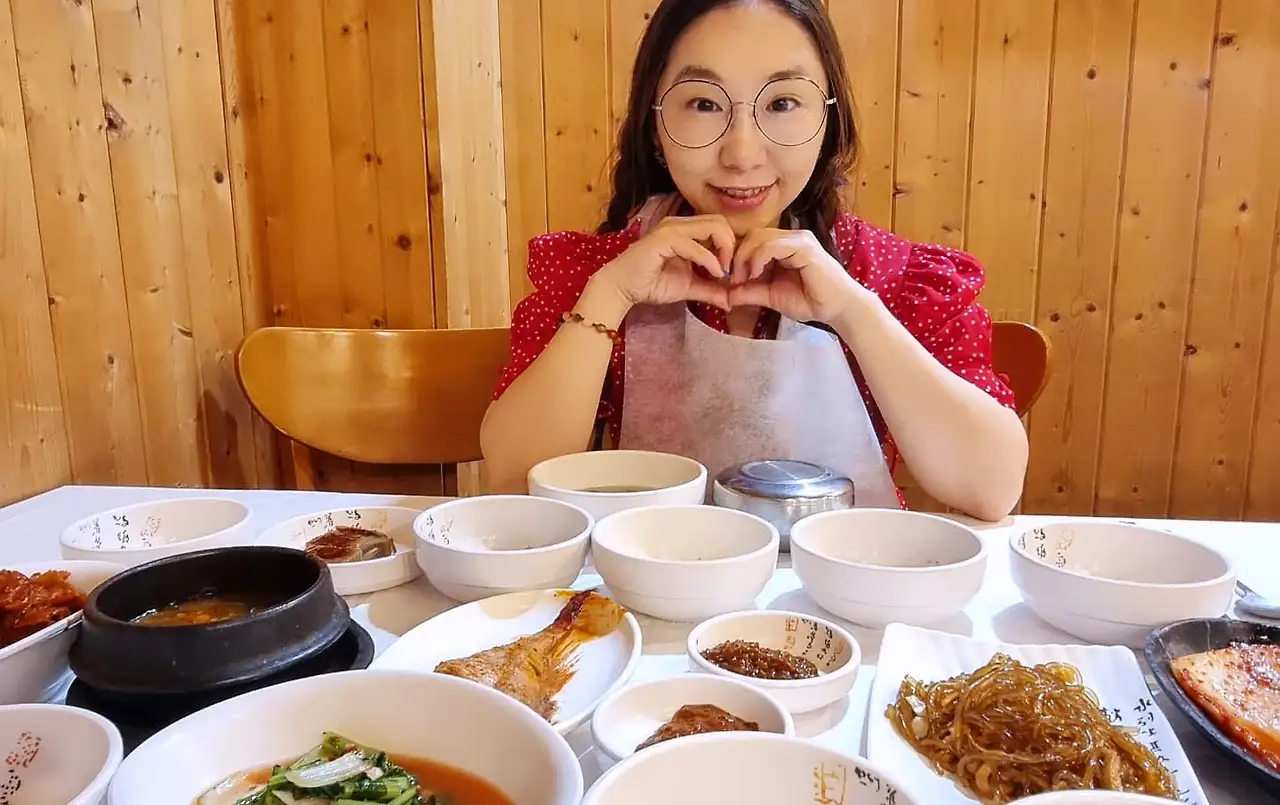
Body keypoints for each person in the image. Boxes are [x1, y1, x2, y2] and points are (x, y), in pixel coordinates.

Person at [479, 0, 1028, 521]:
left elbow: (991, 488)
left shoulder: (892, 276)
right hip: (658, 580)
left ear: (828, 120)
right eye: (704, 104)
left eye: (782, 104)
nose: (742, 154)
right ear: (655, 124)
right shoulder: (597, 274)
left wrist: (855, 312)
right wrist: (610, 297)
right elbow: (513, 480)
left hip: (841, 582)